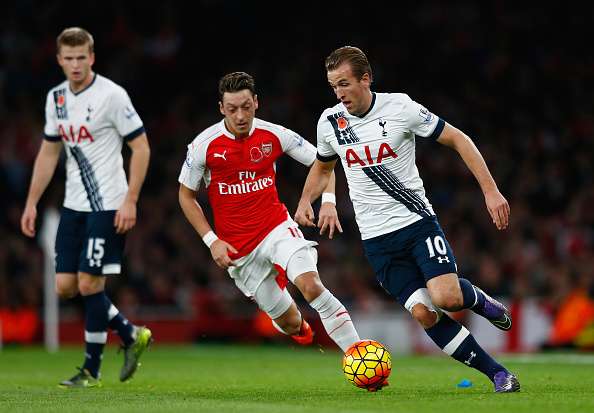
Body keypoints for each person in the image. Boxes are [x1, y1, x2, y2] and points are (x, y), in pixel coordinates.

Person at [295, 46, 520, 393]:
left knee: (446, 298)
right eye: (333, 86)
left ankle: (479, 300)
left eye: (344, 83)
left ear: (366, 79)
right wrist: (307, 201)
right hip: (377, 241)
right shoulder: (329, 122)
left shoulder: (401, 108)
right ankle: (498, 374)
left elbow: (458, 139)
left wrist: (491, 191)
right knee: (423, 313)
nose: (339, 93)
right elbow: (323, 167)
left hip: (416, 224)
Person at [178, 72, 360, 357]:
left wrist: (327, 201)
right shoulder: (203, 145)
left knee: (311, 286)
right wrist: (211, 241)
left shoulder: (274, 134)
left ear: (256, 102)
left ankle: (359, 356)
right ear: (221, 108)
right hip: (238, 250)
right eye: (232, 109)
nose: (240, 116)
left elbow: (323, 163)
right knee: (290, 323)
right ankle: (297, 327)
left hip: (276, 229)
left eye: (246, 107)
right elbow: (185, 196)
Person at [20, 27, 152, 387]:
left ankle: (90, 370)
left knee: (89, 283)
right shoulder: (56, 99)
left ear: (92, 58)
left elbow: (141, 147)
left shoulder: (112, 95)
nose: (76, 64)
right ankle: (131, 334)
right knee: (65, 287)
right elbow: (49, 152)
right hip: (73, 205)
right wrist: (31, 202)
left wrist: (131, 200)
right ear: (59, 60)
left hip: (108, 203)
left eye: (82, 57)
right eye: (69, 58)